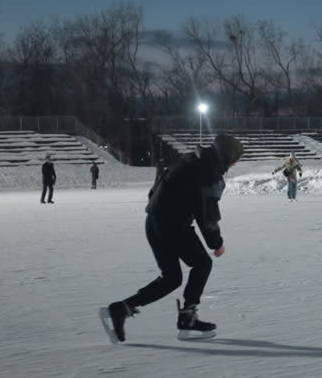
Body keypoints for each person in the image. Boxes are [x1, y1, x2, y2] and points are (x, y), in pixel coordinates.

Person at [103, 133, 245, 343]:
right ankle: (188, 318)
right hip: (172, 224)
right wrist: (217, 243)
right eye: (235, 159)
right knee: (203, 264)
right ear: (228, 157)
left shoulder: (190, 158)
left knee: (171, 278)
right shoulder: (209, 172)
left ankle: (122, 308)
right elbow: (207, 215)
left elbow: (159, 181)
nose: (235, 164)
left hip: (153, 221)